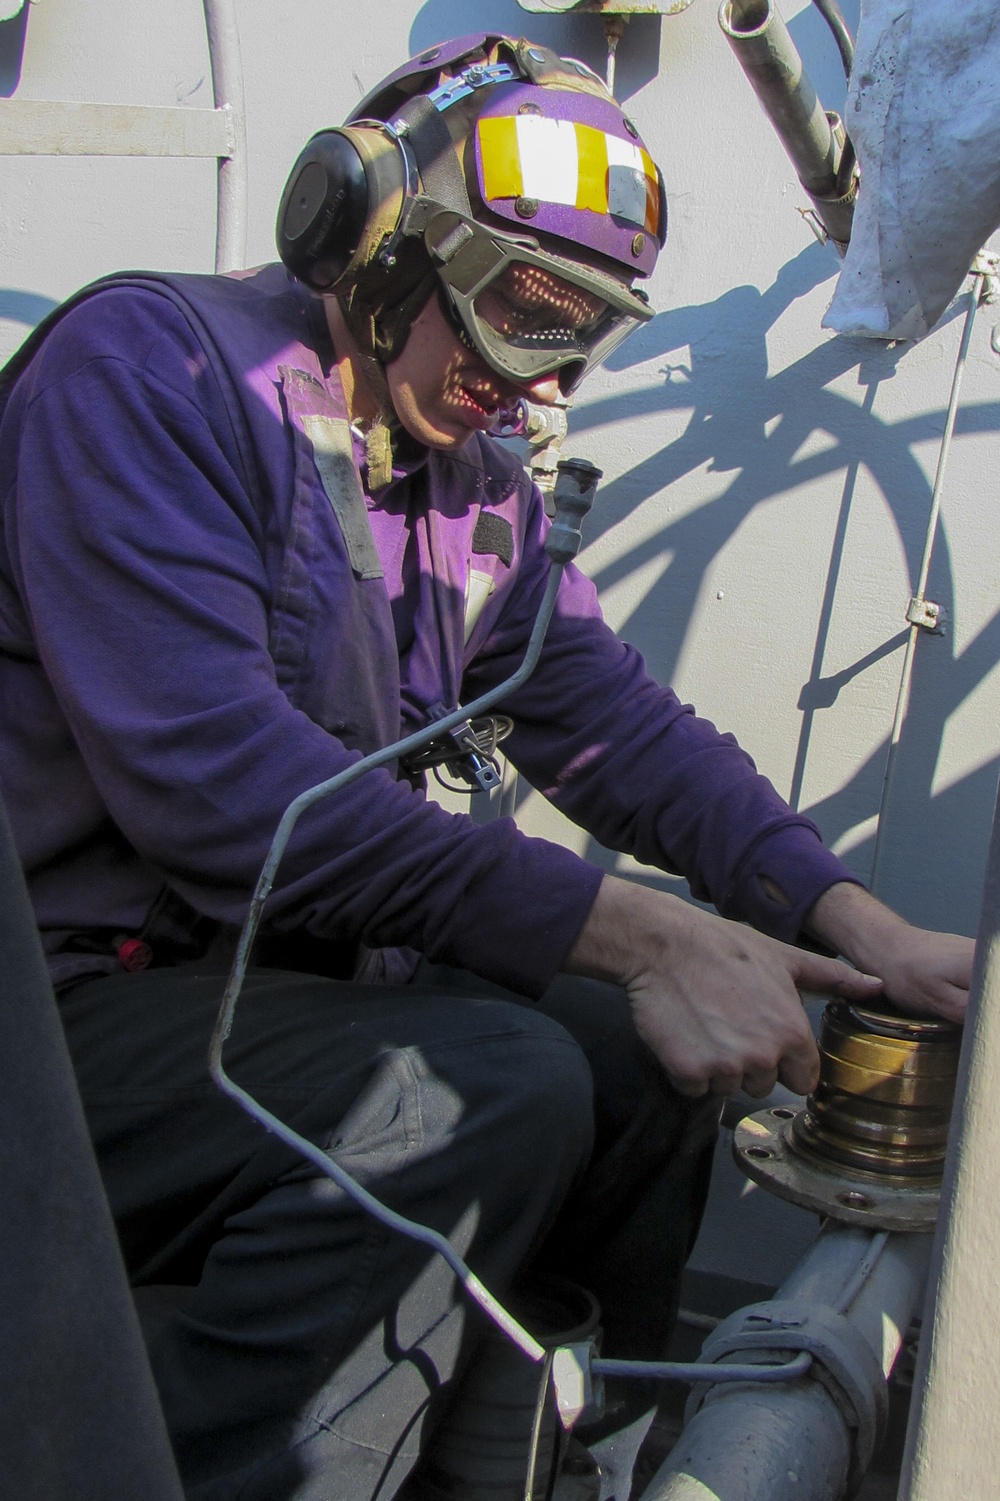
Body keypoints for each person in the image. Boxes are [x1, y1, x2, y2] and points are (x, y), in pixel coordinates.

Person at [0, 31, 972, 1501]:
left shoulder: (465, 485)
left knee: (637, 1066)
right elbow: (229, 799)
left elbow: (620, 731)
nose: (539, 381)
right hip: (62, 1022)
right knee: (490, 1084)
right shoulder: (146, 380)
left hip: (267, 997)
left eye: (582, 334)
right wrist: (641, 927)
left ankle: (535, 1456)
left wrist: (849, 917)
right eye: (526, 307)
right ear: (371, 234)